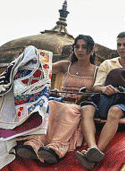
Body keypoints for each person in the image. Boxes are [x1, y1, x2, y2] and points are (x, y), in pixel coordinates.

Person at [13, 34, 97, 164]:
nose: (80, 50)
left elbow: (100, 88)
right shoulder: (66, 65)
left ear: (91, 50)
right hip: (60, 100)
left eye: (84, 47)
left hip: (80, 104)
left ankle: (56, 147)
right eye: (77, 47)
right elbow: (42, 70)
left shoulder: (97, 71)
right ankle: (34, 143)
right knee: (49, 104)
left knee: (69, 110)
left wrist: (85, 94)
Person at [76, 32, 125, 169]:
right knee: (86, 108)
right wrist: (104, 89)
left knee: (115, 111)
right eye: (119, 45)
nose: (121, 47)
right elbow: (97, 86)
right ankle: (92, 147)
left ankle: (96, 152)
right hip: (104, 100)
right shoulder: (107, 64)